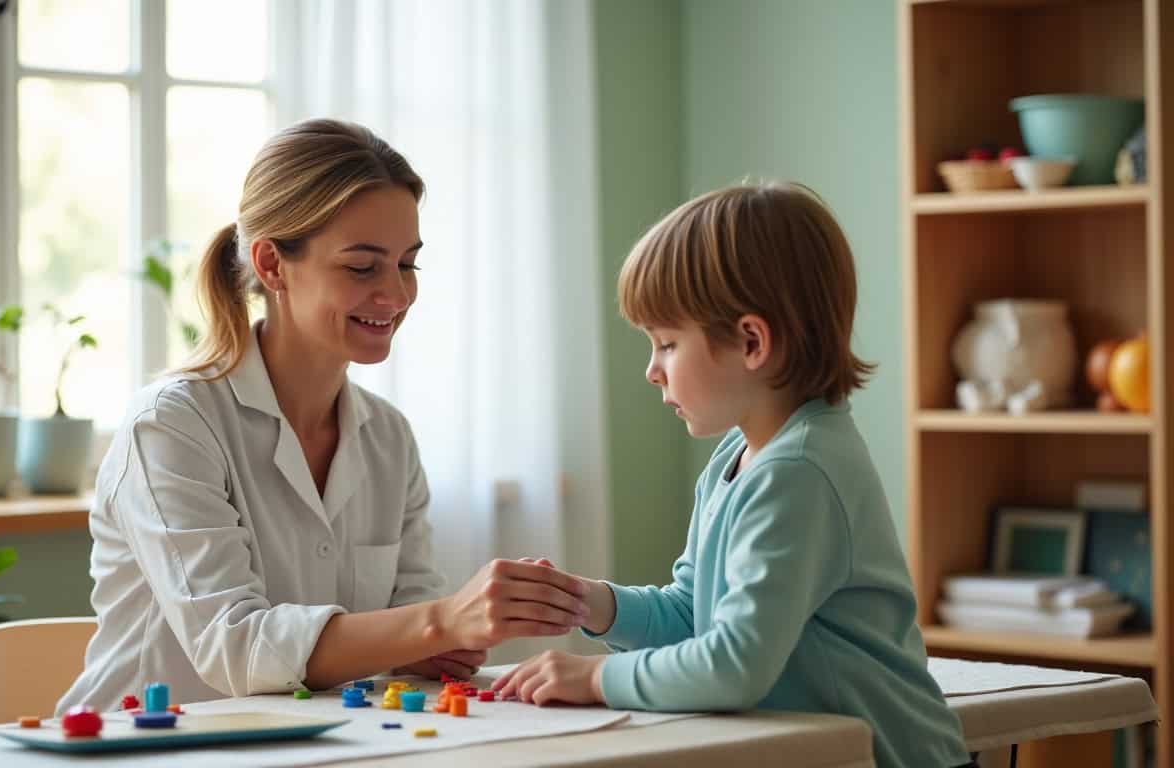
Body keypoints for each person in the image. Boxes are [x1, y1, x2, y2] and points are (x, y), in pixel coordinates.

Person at [58, 119, 589, 714]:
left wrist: (457, 638)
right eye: (362, 267)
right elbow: (235, 650)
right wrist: (440, 622)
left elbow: (412, 627)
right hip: (146, 751)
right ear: (272, 264)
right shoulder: (170, 426)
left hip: (313, 744)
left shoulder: (388, 437)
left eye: (407, 264)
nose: (395, 295)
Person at [493, 181, 971, 768]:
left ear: (751, 341)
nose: (652, 371)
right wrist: (593, 604)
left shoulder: (798, 472)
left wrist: (597, 677)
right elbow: (693, 615)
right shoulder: (736, 458)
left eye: (667, 343)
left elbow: (734, 665)